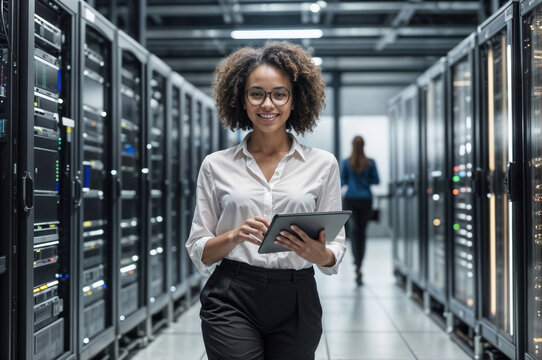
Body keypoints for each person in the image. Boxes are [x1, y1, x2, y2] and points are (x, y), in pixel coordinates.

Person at [185, 42, 346, 360]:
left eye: (279, 94)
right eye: (256, 93)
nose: (267, 104)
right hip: (232, 292)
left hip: (297, 294)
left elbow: (336, 248)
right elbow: (199, 249)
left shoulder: (323, 164)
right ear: (240, 99)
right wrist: (234, 236)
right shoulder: (216, 165)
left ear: (294, 99)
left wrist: (321, 254)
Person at [340, 136, 380, 286]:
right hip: (366, 200)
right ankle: (360, 264)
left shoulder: (346, 162)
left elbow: (342, 181)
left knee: (353, 232)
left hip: (350, 200)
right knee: (362, 233)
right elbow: (376, 181)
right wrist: (365, 180)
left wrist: (352, 180)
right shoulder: (370, 163)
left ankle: (356, 262)